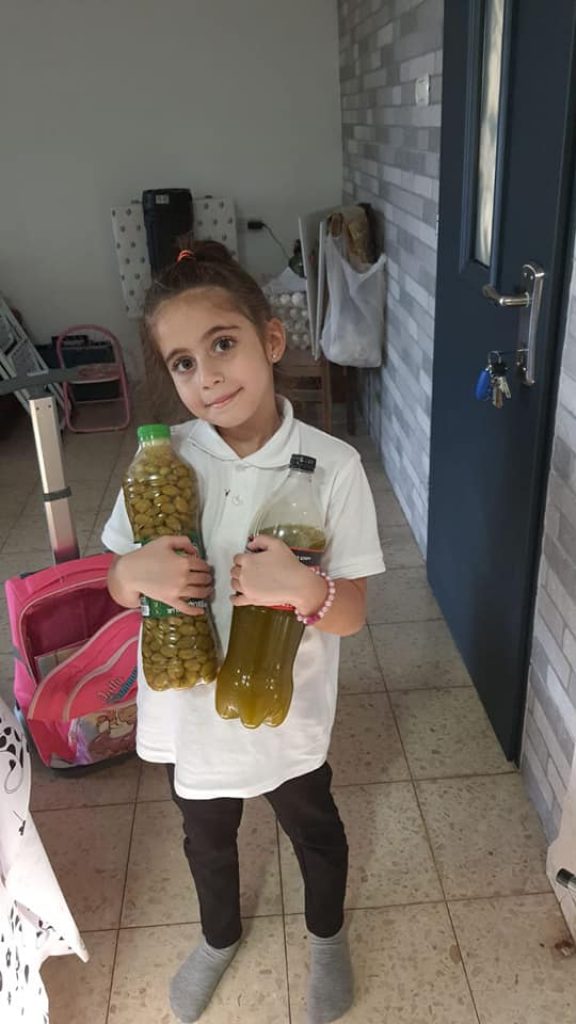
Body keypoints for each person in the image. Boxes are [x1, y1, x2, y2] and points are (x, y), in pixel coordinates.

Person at [102, 241, 385, 1023]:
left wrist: (305, 589)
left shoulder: (332, 466)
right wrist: (130, 575)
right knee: (206, 837)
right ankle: (217, 938)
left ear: (270, 339)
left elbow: (354, 612)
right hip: (188, 711)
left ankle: (326, 935)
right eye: (183, 362)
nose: (208, 376)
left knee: (313, 828)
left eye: (222, 344)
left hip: (286, 704)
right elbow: (116, 584)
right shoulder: (162, 461)